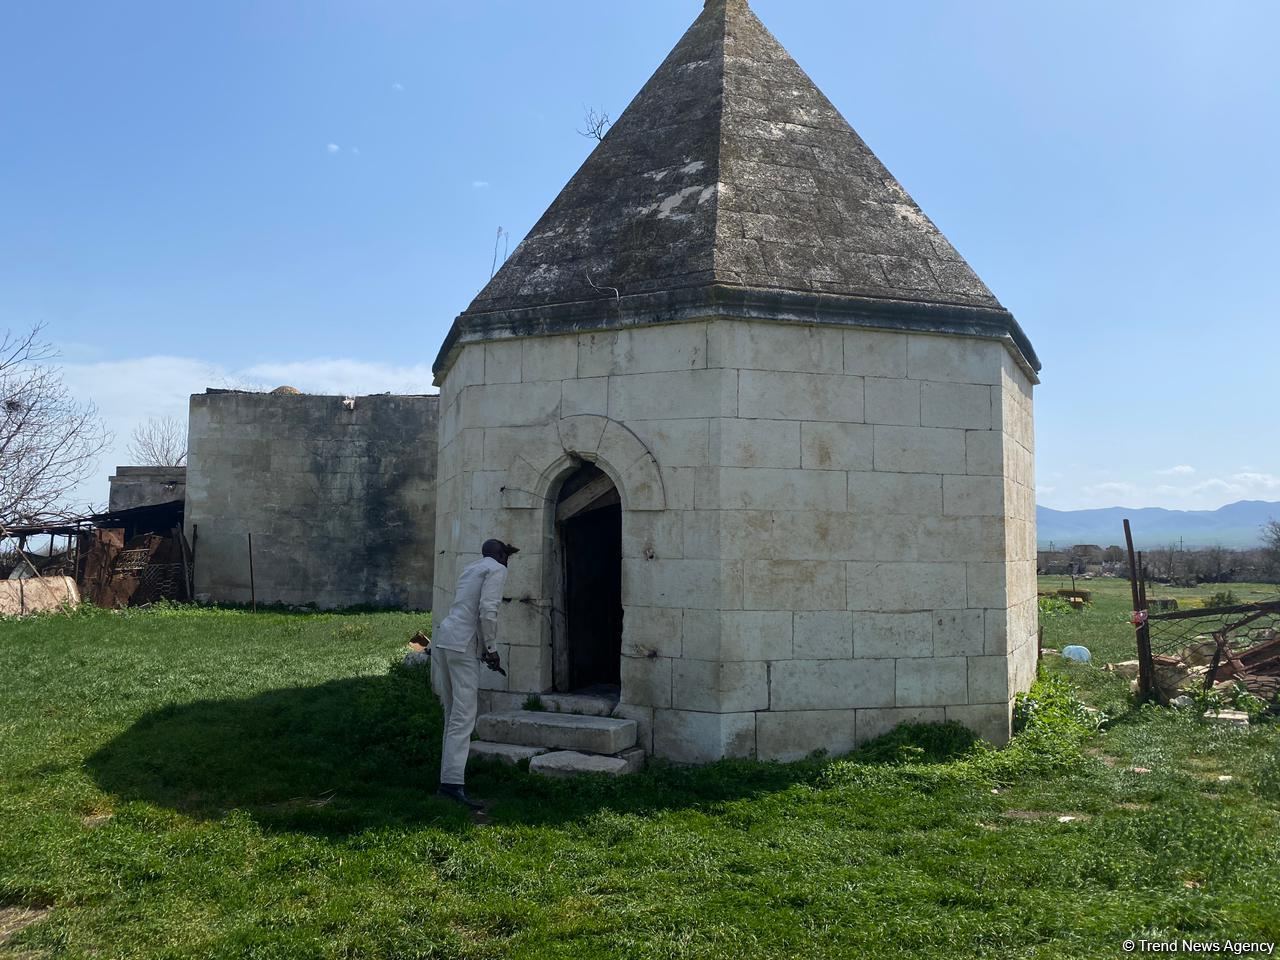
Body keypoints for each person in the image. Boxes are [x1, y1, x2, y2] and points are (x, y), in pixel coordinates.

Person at [430, 538, 518, 809]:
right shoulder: (497, 570)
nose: (507, 561)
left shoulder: (471, 568)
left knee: (451, 712)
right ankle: (453, 785)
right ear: (501, 554)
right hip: (463, 644)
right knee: (464, 716)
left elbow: (468, 609)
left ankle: (448, 779)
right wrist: (490, 648)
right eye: (506, 556)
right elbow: (487, 611)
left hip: (445, 637)